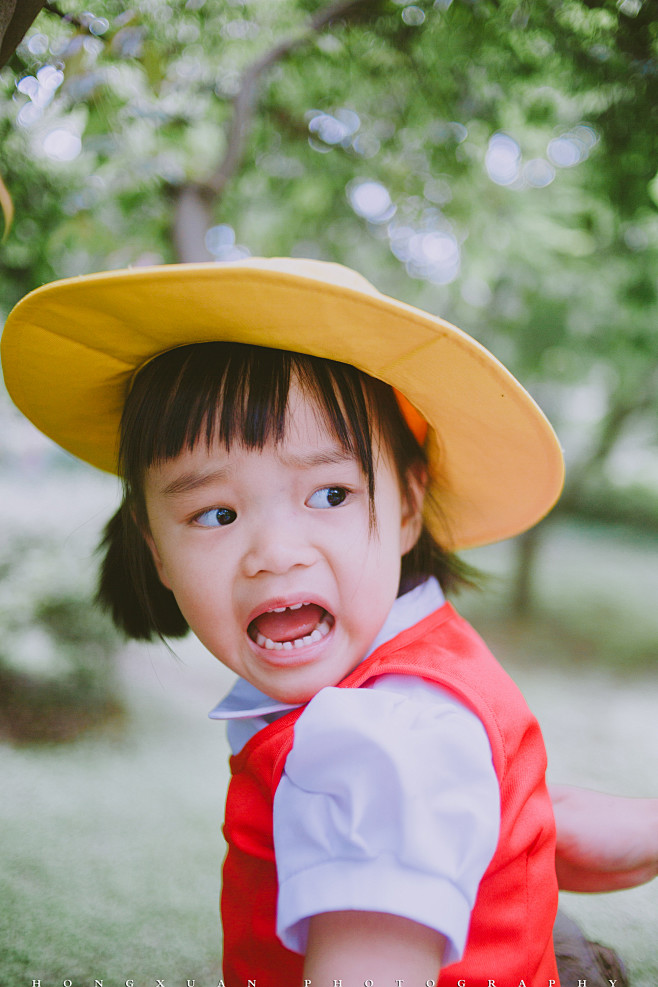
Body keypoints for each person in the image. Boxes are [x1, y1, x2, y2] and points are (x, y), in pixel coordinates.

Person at [1, 258, 654, 984]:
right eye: (216, 513)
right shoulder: (406, 693)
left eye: (330, 493)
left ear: (408, 505)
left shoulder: (375, 740)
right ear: (155, 548)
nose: (275, 553)